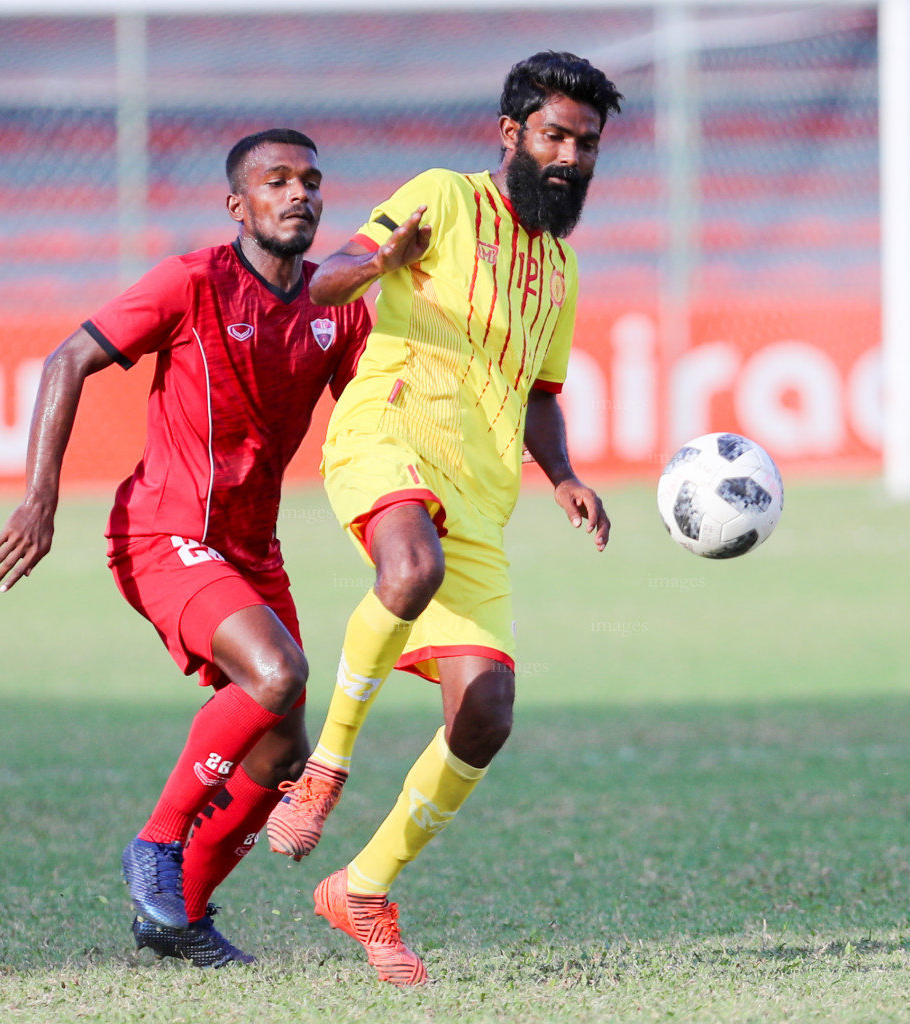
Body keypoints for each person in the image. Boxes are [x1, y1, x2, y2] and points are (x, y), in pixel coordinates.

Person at [263, 51, 623, 986]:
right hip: (387, 433)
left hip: (482, 489)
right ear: (511, 135)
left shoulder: (561, 266)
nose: (570, 159)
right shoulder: (442, 198)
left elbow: (541, 392)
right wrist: (379, 260)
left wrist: (563, 473)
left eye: (586, 144)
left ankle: (364, 889)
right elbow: (331, 276)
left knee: (487, 712)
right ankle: (326, 766)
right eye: (554, 137)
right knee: (407, 569)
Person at [0, 128, 370, 968]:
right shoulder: (193, 281)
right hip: (162, 534)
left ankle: (179, 919)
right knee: (279, 673)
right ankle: (155, 845)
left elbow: (377, 415)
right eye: (277, 182)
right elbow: (68, 357)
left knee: (282, 748)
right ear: (239, 206)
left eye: (310, 180)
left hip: (251, 548)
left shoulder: (336, 305)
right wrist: (38, 503)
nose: (299, 194)